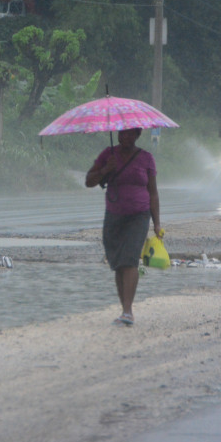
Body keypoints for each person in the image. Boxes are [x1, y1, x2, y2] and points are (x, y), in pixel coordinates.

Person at [85, 128, 162, 326]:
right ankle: (124, 309)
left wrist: (157, 223)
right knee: (118, 263)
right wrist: (105, 170)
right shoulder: (107, 155)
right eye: (122, 134)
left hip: (139, 216)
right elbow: (89, 181)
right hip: (114, 216)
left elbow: (153, 193)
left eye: (130, 134)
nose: (125, 137)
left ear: (137, 135)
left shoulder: (146, 158)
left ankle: (128, 311)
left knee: (129, 260)